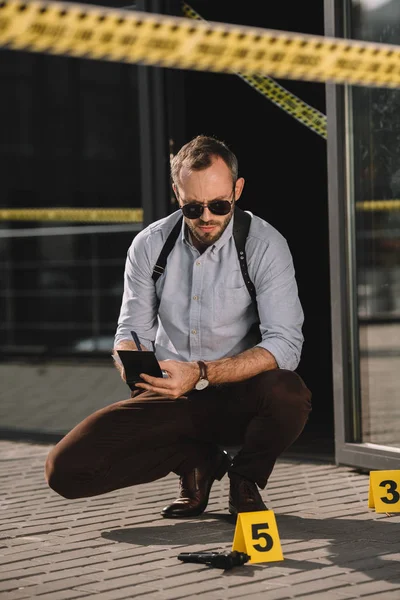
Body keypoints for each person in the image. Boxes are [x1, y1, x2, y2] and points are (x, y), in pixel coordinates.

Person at [45, 135, 311, 518]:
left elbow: (286, 344)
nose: (206, 217)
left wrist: (202, 372)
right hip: (172, 395)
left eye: (219, 205)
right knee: (65, 471)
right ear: (177, 194)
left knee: (289, 393)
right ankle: (196, 461)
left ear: (237, 190)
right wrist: (135, 364)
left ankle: (245, 480)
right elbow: (131, 331)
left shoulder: (264, 244)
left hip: (239, 392)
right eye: (193, 206)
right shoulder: (149, 245)